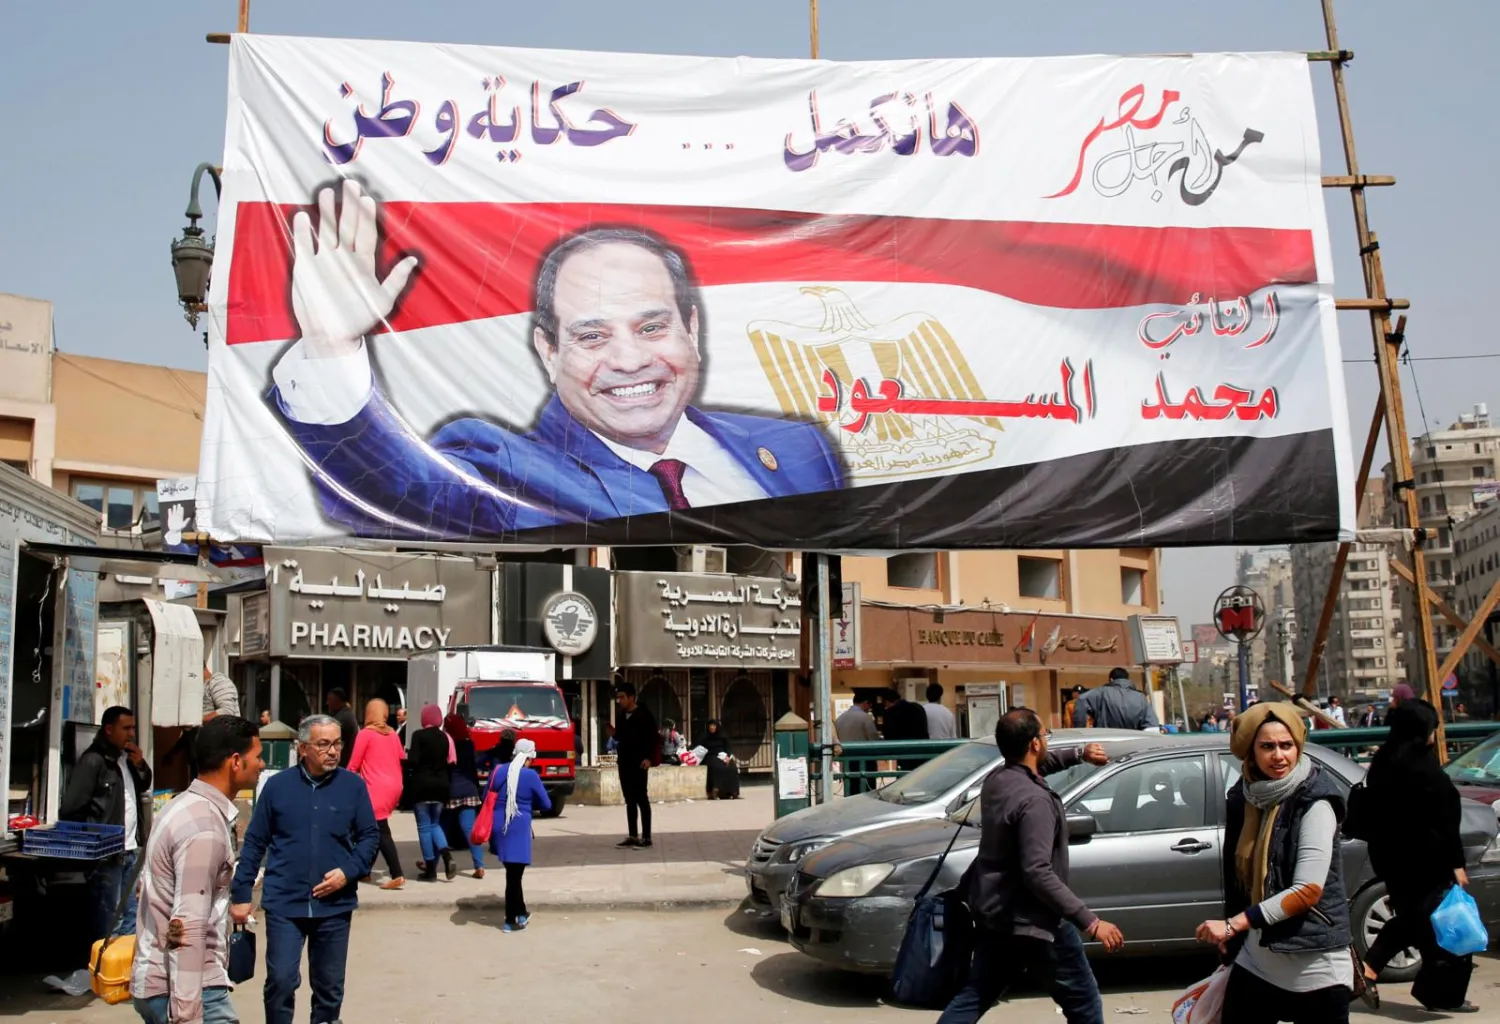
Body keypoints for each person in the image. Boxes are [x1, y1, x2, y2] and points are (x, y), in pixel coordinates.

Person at [269, 184, 846, 539]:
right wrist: (332, 349)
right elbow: (400, 487)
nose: (629, 360)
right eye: (592, 337)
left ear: (691, 328)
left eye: (652, 326)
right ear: (549, 351)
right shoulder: (504, 466)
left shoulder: (801, 451)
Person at [939, 709, 1121, 1024]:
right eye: (1045, 734)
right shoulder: (1035, 803)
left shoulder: (998, 779)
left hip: (997, 914)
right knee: (1084, 1003)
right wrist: (1090, 922)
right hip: (1037, 921)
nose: (1047, 740)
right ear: (1035, 744)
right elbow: (1037, 872)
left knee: (976, 995)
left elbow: (1035, 766)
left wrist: (1079, 754)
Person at [1195, 702, 1353, 1024]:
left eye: (1286, 745)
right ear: (1250, 751)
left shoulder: (1316, 802)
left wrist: (1234, 924)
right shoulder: (1246, 797)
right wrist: (1235, 938)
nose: (1278, 756)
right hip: (1258, 961)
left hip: (1316, 966)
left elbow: (1307, 890)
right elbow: (1239, 878)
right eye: (1267, 747)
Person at [232, 715, 379, 1024]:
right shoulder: (277, 787)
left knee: (329, 988)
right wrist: (241, 893)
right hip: (285, 903)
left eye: (338, 743)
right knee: (281, 981)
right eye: (323, 744)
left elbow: (369, 836)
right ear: (302, 748)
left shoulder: (353, 786)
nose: (333, 751)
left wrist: (348, 871)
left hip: (334, 907)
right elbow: (256, 842)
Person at [131, 716, 264, 1024]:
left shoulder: (182, 806)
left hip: (165, 983)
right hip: (187, 988)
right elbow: (186, 926)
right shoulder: (203, 828)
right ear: (235, 762)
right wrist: (188, 1015)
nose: (261, 764)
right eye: (256, 757)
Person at [1360, 699, 1479, 1013]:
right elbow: (1445, 826)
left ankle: (1368, 971)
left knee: (1414, 921)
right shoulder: (1427, 772)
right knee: (1448, 928)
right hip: (1429, 866)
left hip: (1392, 863)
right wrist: (1457, 866)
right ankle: (1441, 995)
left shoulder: (1383, 764)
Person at [61, 705, 152, 943]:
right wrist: (95, 838)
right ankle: (104, 974)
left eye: (133, 727)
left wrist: (141, 764)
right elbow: (72, 807)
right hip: (108, 855)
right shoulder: (93, 761)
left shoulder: (126, 758)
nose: (131, 733)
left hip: (131, 849)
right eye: (126, 728)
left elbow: (142, 786)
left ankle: (124, 975)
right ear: (109, 729)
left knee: (132, 918)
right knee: (110, 922)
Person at [488, 737, 551, 932]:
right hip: (519, 825)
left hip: (500, 825)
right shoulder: (530, 776)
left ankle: (521, 912)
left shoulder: (499, 771)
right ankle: (510, 920)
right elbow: (547, 804)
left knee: (513, 873)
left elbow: (486, 797)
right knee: (514, 876)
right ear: (529, 757)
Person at [347, 698, 406, 889]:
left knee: (380, 830)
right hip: (395, 786)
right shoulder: (393, 735)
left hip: (375, 788)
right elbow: (401, 758)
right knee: (371, 828)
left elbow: (354, 765)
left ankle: (397, 873)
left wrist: (340, 783)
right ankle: (365, 871)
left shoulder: (365, 734)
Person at [407, 704, 456, 882]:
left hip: (422, 785)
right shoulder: (445, 737)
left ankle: (430, 870)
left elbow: (413, 761)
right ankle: (447, 856)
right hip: (442, 786)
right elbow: (451, 761)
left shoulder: (418, 735)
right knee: (435, 824)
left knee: (424, 827)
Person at [613, 683, 658, 848]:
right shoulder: (621, 715)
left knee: (641, 798)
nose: (620, 700)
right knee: (629, 800)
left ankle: (646, 837)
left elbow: (653, 738)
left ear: (632, 697)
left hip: (639, 762)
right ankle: (633, 835)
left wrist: (649, 758)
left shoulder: (644, 715)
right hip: (624, 762)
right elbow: (619, 736)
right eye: (618, 697)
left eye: (623, 697)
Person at [442, 713, 487, 878]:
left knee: (440, 827)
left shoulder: (447, 743)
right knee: (469, 829)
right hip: (469, 790)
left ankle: (430, 862)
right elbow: (472, 769)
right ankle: (479, 866)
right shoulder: (469, 745)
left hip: (452, 790)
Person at [1071, 668, 1160, 730]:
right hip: (1133, 745)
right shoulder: (1140, 697)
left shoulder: (1101, 693)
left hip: (1105, 742)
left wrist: (1080, 729)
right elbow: (1152, 725)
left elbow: (1081, 699)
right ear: (1127, 679)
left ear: (1111, 679)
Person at [835, 691, 880, 794]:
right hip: (866, 761)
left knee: (851, 792)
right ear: (865, 702)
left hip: (847, 761)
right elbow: (874, 739)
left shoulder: (840, 719)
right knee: (868, 793)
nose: (869, 708)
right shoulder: (866, 717)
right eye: (869, 705)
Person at [880, 687, 930, 771]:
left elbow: (888, 736)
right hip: (922, 750)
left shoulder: (890, 713)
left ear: (887, 702)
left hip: (904, 752)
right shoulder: (918, 707)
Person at [701, 719, 741, 800]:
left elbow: (728, 747)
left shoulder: (722, 736)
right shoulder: (705, 737)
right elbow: (698, 747)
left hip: (722, 755)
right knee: (717, 768)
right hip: (711, 755)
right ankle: (715, 790)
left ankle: (733, 791)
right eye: (711, 726)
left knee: (732, 767)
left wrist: (728, 756)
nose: (712, 728)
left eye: (714, 726)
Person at [325, 688, 358, 767]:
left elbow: (325, 732)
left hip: (344, 763)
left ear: (337, 701)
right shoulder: (342, 713)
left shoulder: (343, 717)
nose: (327, 703)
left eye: (329, 700)